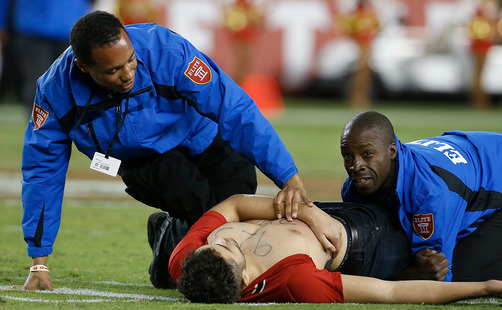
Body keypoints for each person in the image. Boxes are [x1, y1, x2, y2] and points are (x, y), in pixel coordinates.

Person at [17, 10, 313, 291]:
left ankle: (168, 234)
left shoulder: (165, 50)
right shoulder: (55, 93)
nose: (128, 74)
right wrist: (39, 264)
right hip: (141, 161)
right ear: (83, 67)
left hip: (200, 134)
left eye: (131, 60)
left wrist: (289, 178)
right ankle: (171, 243)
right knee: (202, 207)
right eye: (113, 70)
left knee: (237, 202)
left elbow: (234, 108)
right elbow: (42, 173)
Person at [334, 110, 502, 299]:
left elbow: (435, 277)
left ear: (392, 151)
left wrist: (395, 278)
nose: (356, 165)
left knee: (464, 274)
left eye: (367, 154)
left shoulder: (430, 192)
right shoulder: (358, 186)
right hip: (484, 171)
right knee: (459, 254)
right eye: (348, 155)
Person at [168, 194, 502, 303]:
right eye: (230, 248)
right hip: (377, 244)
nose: (226, 238)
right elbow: (391, 292)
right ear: (244, 277)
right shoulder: (294, 280)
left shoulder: (188, 259)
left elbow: (231, 205)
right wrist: (484, 289)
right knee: (469, 248)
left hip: (334, 210)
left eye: (218, 242)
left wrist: (310, 213)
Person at [0, 0, 92, 114]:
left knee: (73, 88)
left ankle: (73, 129)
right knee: (38, 87)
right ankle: (39, 129)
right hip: (33, 31)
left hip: (72, 28)